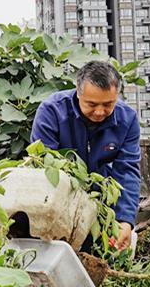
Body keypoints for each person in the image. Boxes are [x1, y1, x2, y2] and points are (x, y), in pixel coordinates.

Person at [31, 60, 141, 251]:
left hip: (101, 206)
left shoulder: (127, 119)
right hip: (58, 204)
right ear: (78, 92)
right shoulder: (52, 112)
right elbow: (44, 169)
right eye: (91, 104)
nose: (99, 112)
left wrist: (125, 220)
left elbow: (128, 170)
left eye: (108, 104)